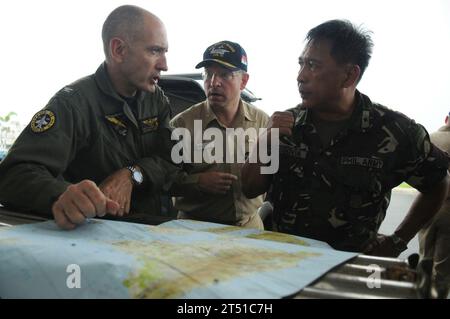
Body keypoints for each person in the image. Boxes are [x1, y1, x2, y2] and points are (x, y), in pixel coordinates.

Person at [241, 20, 449, 256]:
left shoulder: (395, 131)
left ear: (349, 75)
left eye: (313, 65)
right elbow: (249, 188)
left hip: (346, 270)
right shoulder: (285, 125)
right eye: (301, 64)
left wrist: (398, 240)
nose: (300, 76)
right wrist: (264, 141)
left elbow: (438, 184)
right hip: (280, 261)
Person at [0, 5, 179, 229]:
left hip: (155, 231)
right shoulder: (73, 104)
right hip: (98, 237)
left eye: (164, 52)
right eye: (154, 51)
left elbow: (170, 159)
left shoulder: (156, 99)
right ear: (119, 50)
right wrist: (62, 195)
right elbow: (14, 176)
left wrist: (133, 174)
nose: (164, 64)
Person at [170, 41, 269, 229]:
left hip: (248, 228)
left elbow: (272, 178)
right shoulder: (182, 124)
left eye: (225, 74)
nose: (214, 82)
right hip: (194, 228)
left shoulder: (263, 123)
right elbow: (163, 180)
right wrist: (197, 182)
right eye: (208, 74)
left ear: (244, 81)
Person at [418, 113, 450, 296]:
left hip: (427, 208)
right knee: (443, 267)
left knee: (425, 259)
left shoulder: (429, 138)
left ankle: (420, 292)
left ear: (446, 119)